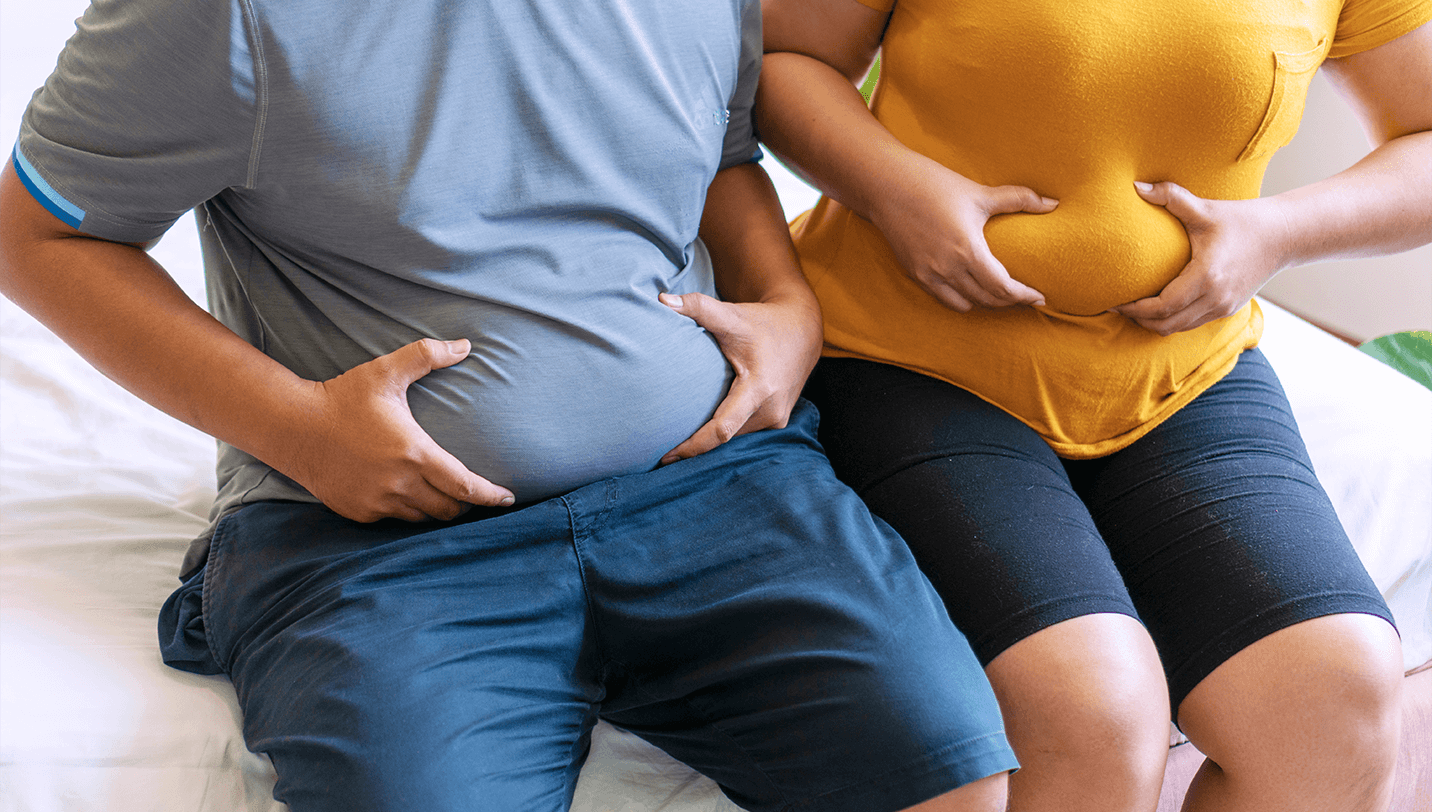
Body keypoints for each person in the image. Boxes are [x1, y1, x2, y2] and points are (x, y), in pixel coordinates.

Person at [0, 1, 1024, 810]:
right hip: (376, 544)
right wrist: (294, 428)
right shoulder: (226, 10)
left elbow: (719, 151)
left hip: (711, 480)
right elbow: (37, 236)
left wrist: (787, 302)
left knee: (950, 766)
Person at [756, 2, 1432, 811]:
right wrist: (896, 190)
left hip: (1182, 373)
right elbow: (781, 59)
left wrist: (1278, 232)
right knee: (1092, 711)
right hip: (909, 359)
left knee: (1337, 695)